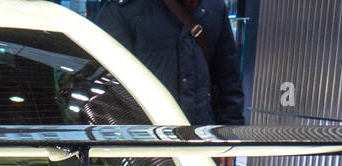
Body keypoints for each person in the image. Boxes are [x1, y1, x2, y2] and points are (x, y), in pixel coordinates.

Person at [96, 1, 245, 130]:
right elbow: (108, 87)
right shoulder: (124, 8)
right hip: (146, 139)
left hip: (202, 136)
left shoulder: (214, 6)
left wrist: (229, 133)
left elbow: (228, 77)